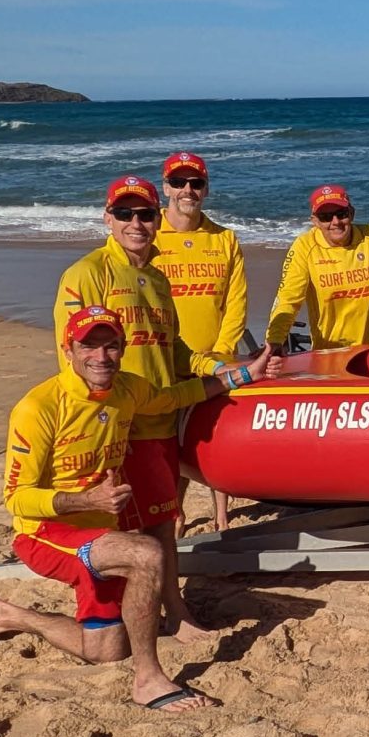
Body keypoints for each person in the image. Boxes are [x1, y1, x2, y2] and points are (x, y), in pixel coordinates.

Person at [0, 306, 276, 711]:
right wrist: (85, 501)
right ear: (68, 350)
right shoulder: (39, 408)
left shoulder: (127, 390)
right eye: (89, 346)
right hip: (45, 533)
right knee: (147, 552)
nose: (100, 357)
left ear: (122, 350)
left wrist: (245, 374)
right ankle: (149, 679)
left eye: (110, 346)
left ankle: (3, 614)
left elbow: (178, 395)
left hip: (102, 536)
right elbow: (16, 497)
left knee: (105, 651)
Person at [53, 176, 221, 640]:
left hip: (159, 419)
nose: (136, 222)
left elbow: (174, 348)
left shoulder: (159, 277)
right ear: (107, 218)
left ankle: (172, 611)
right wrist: (94, 423)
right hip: (118, 427)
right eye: (124, 213)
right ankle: (140, 617)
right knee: (126, 533)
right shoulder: (87, 273)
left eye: (145, 214)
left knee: (163, 522)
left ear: (157, 219)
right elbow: (72, 356)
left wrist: (223, 370)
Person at [153, 151, 246, 533]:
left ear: (206, 189)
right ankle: (174, 512)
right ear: (165, 188)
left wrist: (221, 353)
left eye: (196, 183)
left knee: (213, 440)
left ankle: (222, 516)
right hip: (165, 361)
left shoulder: (224, 239)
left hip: (216, 359)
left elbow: (236, 302)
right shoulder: (148, 233)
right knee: (167, 444)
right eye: (179, 182)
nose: (187, 190)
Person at [266, 184, 369, 357]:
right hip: (328, 352)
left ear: (351, 214)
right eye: (325, 217)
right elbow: (289, 298)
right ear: (314, 221)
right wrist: (275, 341)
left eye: (341, 214)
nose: (335, 222)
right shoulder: (304, 247)